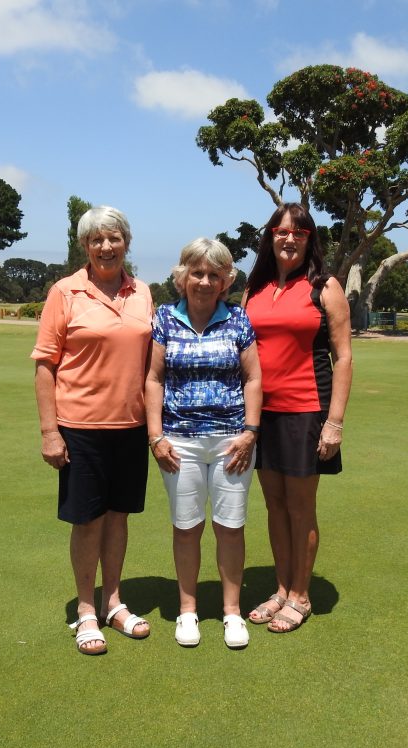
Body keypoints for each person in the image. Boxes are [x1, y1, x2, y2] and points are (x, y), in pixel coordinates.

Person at [32, 205, 154, 655]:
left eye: (114, 238)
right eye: (96, 240)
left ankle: (114, 602)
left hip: (131, 425)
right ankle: (86, 609)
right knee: (87, 521)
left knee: (118, 517)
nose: (106, 246)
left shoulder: (142, 292)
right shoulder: (65, 293)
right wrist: (50, 432)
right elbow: (46, 365)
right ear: (84, 246)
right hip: (80, 426)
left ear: (126, 242)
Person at [145, 238, 262, 649]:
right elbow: (154, 379)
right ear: (183, 276)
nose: (205, 281)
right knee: (187, 527)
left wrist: (250, 432)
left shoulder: (238, 320)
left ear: (226, 280)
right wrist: (155, 436)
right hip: (179, 442)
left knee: (231, 528)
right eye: (197, 272)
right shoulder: (164, 318)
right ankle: (188, 611)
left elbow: (253, 378)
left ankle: (232, 614)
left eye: (215, 274)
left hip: (233, 441)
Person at [242, 203, 352, 633]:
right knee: (274, 505)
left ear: (310, 240)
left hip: (306, 410)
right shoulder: (256, 288)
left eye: (299, 233)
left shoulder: (324, 287)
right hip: (260, 414)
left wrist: (335, 421)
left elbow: (342, 357)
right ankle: (282, 588)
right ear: (270, 237)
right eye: (281, 231)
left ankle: (301, 596)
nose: (289, 239)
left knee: (301, 508)